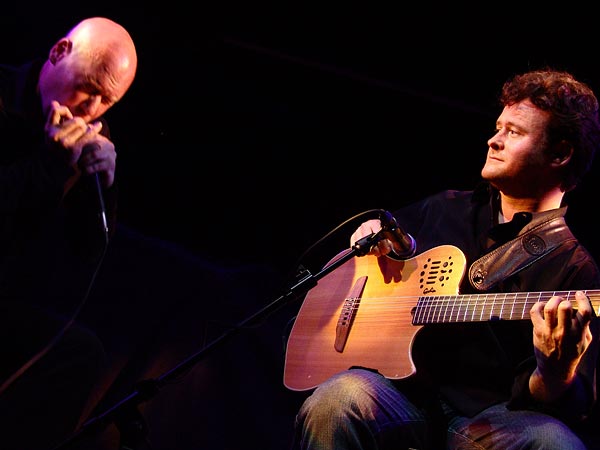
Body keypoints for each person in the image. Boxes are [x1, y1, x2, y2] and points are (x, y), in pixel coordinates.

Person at [290, 69, 600, 449]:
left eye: (514, 132)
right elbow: (380, 249)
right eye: (498, 127)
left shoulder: (574, 268)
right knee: (338, 398)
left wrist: (554, 373)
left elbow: (566, 400)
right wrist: (370, 236)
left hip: (493, 417)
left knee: (554, 443)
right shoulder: (444, 208)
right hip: (401, 395)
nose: (493, 140)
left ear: (561, 153)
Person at [0, 17, 137, 449]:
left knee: (80, 353)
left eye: (106, 101)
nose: (90, 110)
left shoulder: (85, 132)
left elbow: (86, 254)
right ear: (60, 53)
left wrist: (106, 185)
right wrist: (50, 165)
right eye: (89, 88)